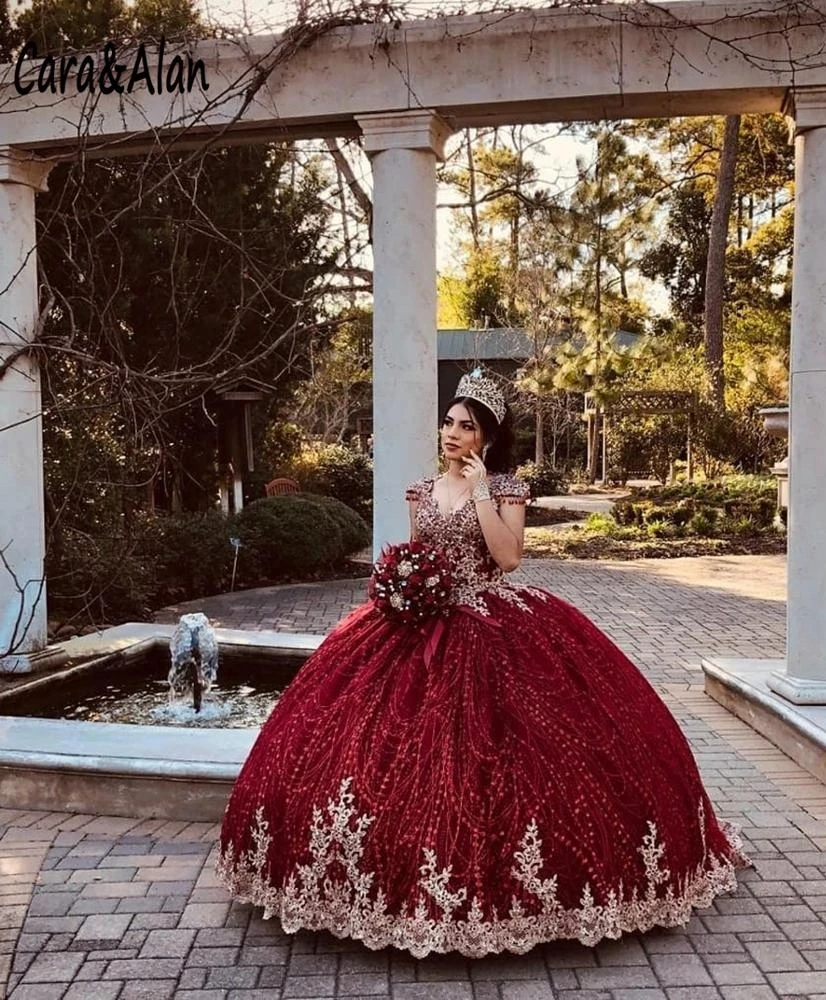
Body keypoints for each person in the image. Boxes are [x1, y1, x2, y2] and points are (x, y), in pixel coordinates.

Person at [218, 370, 749, 958]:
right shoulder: (420, 491)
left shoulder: (507, 489)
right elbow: (419, 553)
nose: (450, 432)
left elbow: (509, 558)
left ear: (486, 439)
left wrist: (480, 494)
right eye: (448, 421)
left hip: (495, 618)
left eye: (465, 426)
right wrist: (406, 588)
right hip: (422, 621)